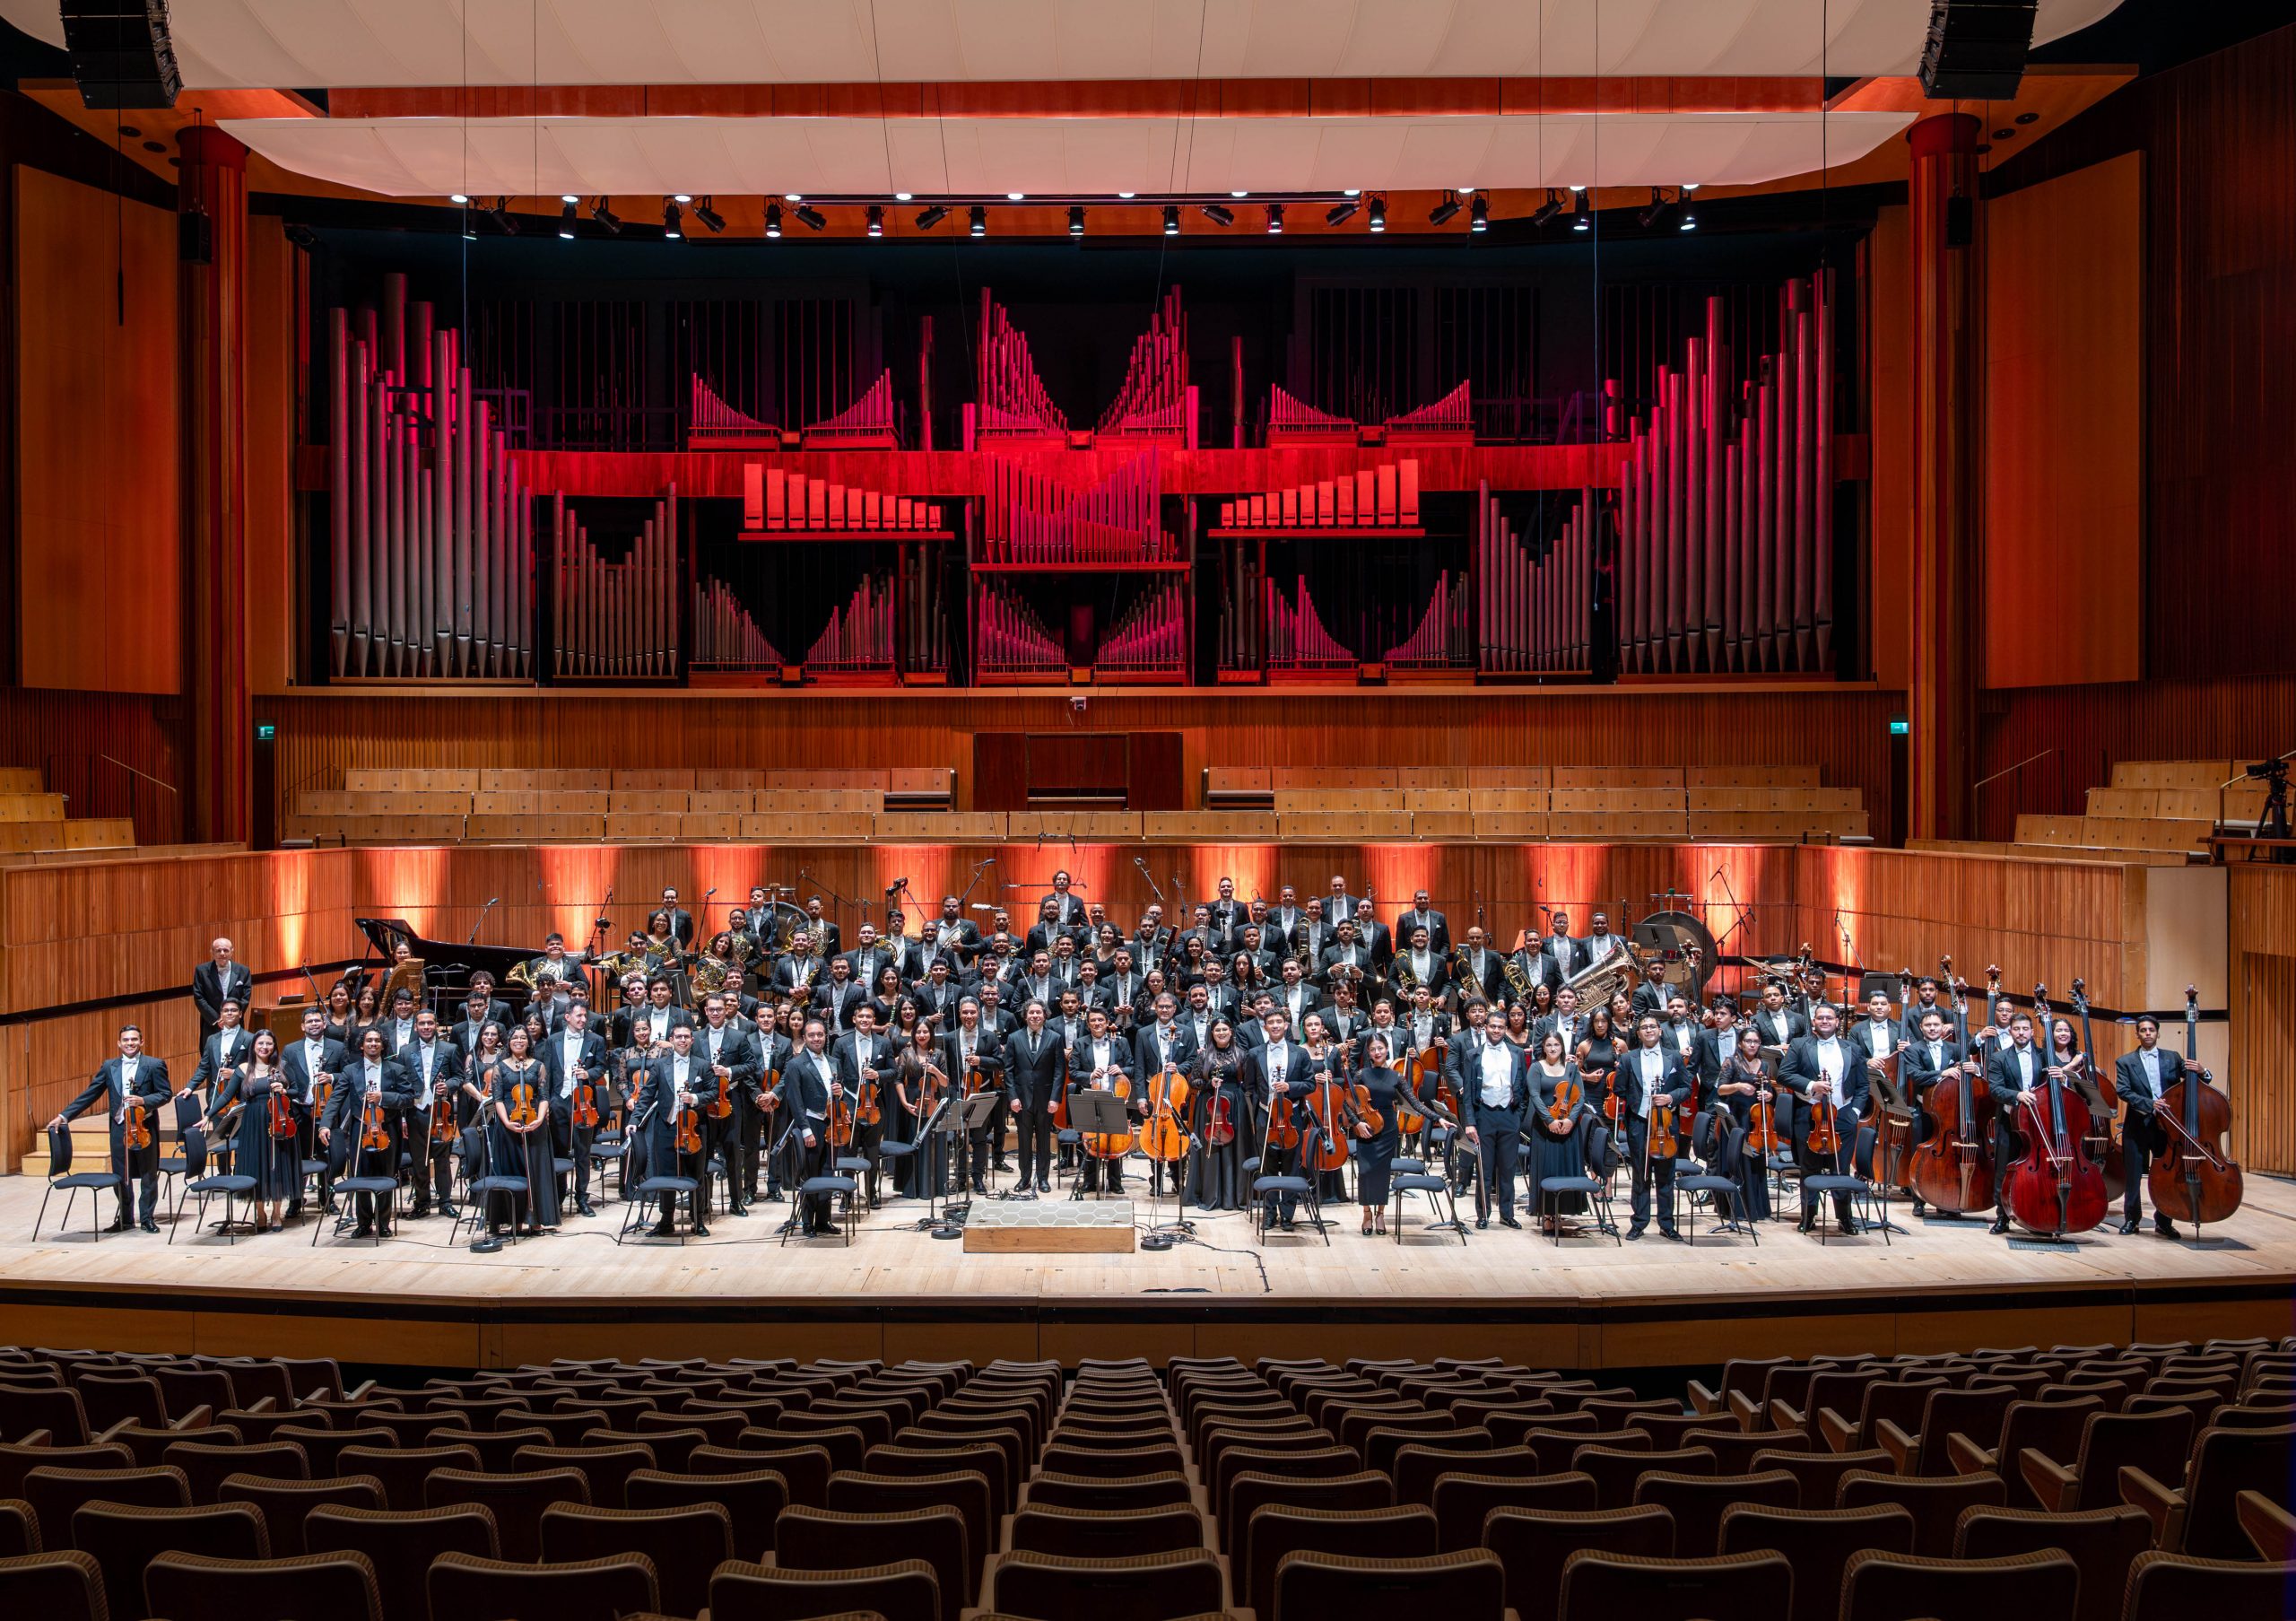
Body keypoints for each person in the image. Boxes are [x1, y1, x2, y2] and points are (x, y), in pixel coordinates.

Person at [49, 1025, 170, 1233]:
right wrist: (64, 1115)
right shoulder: (109, 1066)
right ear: (119, 1043)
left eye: (134, 1040)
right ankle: (125, 1219)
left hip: (144, 1127)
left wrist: (144, 1100)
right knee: (120, 1175)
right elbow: (90, 1094)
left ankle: (147, 1218)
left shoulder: (154, 1065)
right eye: (125, 1040)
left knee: (148, 1174)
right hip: (119, 1127)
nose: (130, 1043)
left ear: (142, 1042)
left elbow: (165, 1094)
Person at [196, 1028, 300, 1233]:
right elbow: (226, 1096)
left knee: (277, 1165)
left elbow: (298, 1090)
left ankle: (276, 1213)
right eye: (260, 1043)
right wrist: (208, 1115)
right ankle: (260, 1212)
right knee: (257, 1165)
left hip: (278, 1121)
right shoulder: (243, 1069)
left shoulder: (282, 1066)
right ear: (253, 1046)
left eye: (269, 1043)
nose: (264, 1047)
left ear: (274, 1046)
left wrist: (285, 1090)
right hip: (253, 1124)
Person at [321, 1026, 416, 1238]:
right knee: (360, 1174)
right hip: (360, 1129)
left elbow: (409, 1098)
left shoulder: (396, 1069)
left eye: (377, 1041)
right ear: (362, 1045)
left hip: (387, 1128)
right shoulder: (350, 1070)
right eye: (369, 1041)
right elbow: (336, 1098)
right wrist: (325, 1124)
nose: (373, 1044)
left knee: (386, 1174)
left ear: (383, 1045)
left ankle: (383, 1222)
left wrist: (383, 1097)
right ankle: (363, 1223)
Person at [1781, 1001, 1866, 1235]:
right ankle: (1808, 1217)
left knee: (1841, 1169)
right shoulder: (1799, 1045)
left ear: (1838, 1021)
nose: (1825, 1021)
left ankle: (1845, 1218)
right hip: (1810, 1116)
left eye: (1829, 1018)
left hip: (1843, 1116)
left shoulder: (1852, 1048)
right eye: (1821, 1018)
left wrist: (1854, 1113)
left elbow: (1863, 1085)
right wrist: (1811, 1085)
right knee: (1809, 1168)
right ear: (1814, 1022)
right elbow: (1784, 1074)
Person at [1448, 1000, 1527, 1230]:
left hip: (1508, 1115)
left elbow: (1521, 1088)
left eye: (1500, 1027)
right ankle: (1483, 1214)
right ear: (1485, 1027)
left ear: (1505, 1029)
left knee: (1508, 1169)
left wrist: (1517, 1116)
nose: (1496, 1031)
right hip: (1484, 1116)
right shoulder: (1473, 1055)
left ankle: (1507, 1214)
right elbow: (1469, 1092)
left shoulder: (1517, 1053)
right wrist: (1470, 1122)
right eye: (1492, 1026)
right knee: (1484, 1169)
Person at [1619, 1014, 1694, 1242]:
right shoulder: (1628, 1058)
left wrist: (1670, 1098)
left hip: (1666, 1124)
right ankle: (1639, 1222)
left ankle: (1666, 1224)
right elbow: (1620, 1088)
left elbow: (1686, 1087)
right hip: (1639, 1123)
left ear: (1660, 1031)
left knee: (1665, 1175)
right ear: (1638, 1033)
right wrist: (1638, 1102)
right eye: (1644, 1028)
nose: (1649, 1030)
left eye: (1653, 1027)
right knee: (1641, 1175)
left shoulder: (1673, 1057)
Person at [635, 1024, 715, 1238]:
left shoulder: (703, 1065)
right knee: (666, 1174)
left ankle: (697, 1220)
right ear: (672, 1039)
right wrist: (635, 1119)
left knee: (695, 1173)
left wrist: (696, 1098)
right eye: (678, 1036)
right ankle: (666, 1220)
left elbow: (714, 1092)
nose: (682, 1040)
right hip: (667, 1126)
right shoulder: (660, 1066)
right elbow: (647, 1095)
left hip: (694, 1127)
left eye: (686, 1037)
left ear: (692, 1040)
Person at [483, 1024, 558, 1238]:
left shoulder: (538, 1066)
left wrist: (540, 1119)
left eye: (523, 1038)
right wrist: (506, 1122)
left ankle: (535, 1221)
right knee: (512, 1171)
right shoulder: (500, 1067)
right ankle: (512, 1219)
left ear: (529, 1042)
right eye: (515, 1037)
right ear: (509, 1042)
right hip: (508, 1124)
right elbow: (497, 1099)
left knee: (535, 1171)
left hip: (534, 1123)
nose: (519, 1041)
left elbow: (544, 1097)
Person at [2112, 1015, 2182, 1238]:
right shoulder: (2125, 1062)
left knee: (2165, 1176)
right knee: (2133, 1176)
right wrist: (2150, 1104)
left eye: (2151, 1030)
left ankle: (2164, 1221)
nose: (2147, 1033)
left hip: (2166, 1127)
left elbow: (2194, 1082)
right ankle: (2132, 1220)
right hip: (2137, 1125)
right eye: (2143, 1030)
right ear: (2138, 1034)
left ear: (2157, 1033)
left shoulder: (2173, 1058)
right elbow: (2123, 1091)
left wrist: (2203, 1071)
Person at [1247, 1008, 1312, 1229]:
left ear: (1286, 1025)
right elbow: (1249, 1086)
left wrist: (1290, 1087)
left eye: (1279, 1022)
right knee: (1268, 1165)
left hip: (1292, 1115)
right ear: (1265, 1027)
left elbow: (1310, 1084)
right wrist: (1264, 1104)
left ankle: (1287, 1215)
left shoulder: (1300, 1053)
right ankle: (1269, 1214)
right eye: (1270, 1022)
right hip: (1266, 1115)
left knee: (1293, 1166)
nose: (1275, 1025)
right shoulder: (1255, 1053)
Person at [694, 993, 757, 1218]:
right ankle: (703, 1202)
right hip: (704, 1103)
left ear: (726, 1010)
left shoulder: (739, 1036)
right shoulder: (696, 1036)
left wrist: (729, 1072)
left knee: (732, 1153)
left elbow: (751, 1065)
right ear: (705, 1011)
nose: (715, 1013)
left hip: (731, 1100)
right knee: (704, 1153)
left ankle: (736, 1202)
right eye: (711, 1009)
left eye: (719, 1009)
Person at [1527, 1030, 1596, 1234]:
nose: (1552, 1049)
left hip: (1569, 1129)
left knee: (1565, 1169)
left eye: (1556, 1045)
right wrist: (1549, 1120)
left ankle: (1563, 1211)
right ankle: (1548, 1215)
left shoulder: (1572, 1069)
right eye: (1549, 1045)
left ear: (1562, 1047)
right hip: (1544, 1128)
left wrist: (1570, 1120)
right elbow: (1535, 1096)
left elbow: (1580, 1097)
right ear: (1543, 1047)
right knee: (1547, 1169)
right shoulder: (1536, 1068)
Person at [778, 1018, 840, 1236]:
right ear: (804, 1038)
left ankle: (824, 1220)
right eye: (812, 1035)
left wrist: (839, 1094)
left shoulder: (833, 1061)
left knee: (827, 1173)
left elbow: (835, 1095)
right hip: (811, 1123)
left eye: (820, 1034)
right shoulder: (795, 1065)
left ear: (825, 1036)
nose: (816, 1038)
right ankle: (807, 1223)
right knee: (810, 1176)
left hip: (831, 1123)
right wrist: (805, 1130)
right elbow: (794, 1100)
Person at [544, 1002, 606, 1217]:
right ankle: (559, 1197)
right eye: (578, 1016)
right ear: (567, 1017)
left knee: (582, 1152)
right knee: (559, 1152)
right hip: (559, 1101)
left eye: (584, 1016)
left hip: (583, 1103)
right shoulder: (553, 1040)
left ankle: (582, 1196)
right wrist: (549, 1102)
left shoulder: (596, 1040)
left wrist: (588, 1074)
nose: (582, 1020)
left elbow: (601, 1067)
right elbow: (548, 1074)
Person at [1710, 1025, 1777, 1224]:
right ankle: (1735, 1208)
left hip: (1756, 1121)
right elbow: (1720, 1089)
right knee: (1737, 1161)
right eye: (1748, 1041)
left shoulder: (1764, 1065)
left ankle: (1755, 1208)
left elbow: (1771, 1089)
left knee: (1755, 1161)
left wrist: (1769, 1094)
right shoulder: (1731, 1062)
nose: (1752, 1045)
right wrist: (1738, 1086)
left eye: (1756, 1041)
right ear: (1740, 1043)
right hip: (1736, 1119)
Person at [1186, 1015, 1251, 1212]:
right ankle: (1211, 1194)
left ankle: (1235, 1196)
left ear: (1231, 1032)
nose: (1221, 1033)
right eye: (1217, 1030)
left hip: (1235, 1104)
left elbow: (1248, 1082)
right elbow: (1193, 1081)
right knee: (1211, 1150)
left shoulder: (1242, 1054)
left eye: (1225, 1029)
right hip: (1209, 1104)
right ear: (1212, 1034)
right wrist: (1208, 1084)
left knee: (1236, 1149)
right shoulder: (1204, 1055)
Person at [402, 1008, 463, 1220]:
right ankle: (422, 1203)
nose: (426, 1027)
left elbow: (459, 1078)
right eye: (422, 1024)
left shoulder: (450, 1048)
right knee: (419, 1161)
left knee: (443, 1160)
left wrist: (448, 1086)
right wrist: (402, 1117)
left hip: (440, 1113)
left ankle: (445, 1202)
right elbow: (402, 1086)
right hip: (416, 1113)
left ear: (436, 1025)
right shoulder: (405, 1051)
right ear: (416, 1026)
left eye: (430, 1023)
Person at [1069, 1007, 1135, 1195]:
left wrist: (1121, 1070)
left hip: (1116, 1094)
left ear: (1107, 1022)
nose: (1097, 1023)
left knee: (1114, 1137)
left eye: (1101, 1020)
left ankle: (1115, 1182)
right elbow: (1073, 1072)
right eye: (1093, 1021)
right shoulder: (1080, 1044)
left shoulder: (1121, 1042)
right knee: (1090, 1138)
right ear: (1088, 1024)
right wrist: (1089, 1075)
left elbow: (1132, 1067)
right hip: (1091, 1095)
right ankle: (1089, 1181)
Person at [944, 997, 1004, 1195]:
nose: (969, 1016)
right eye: (965, 1012)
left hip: (981, 1093)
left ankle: (978, 1178)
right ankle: (961, 1179)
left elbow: (1000, 1062)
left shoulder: (990, 1036)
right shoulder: (950, 1037)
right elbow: (949, 1069)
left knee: (979, 1138)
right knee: (959, 1138)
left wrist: (981, 1060)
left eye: (972, 1012)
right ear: (960, 1014)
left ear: (978, 1014)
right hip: (959, 1093)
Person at [1004, 998, 1064, 1194]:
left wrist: (1055, 1098)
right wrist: (1012, 1096)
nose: (1035, 1016)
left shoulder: (1055, 1038)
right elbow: (1009, 1071)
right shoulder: (1014, 1038)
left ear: (1045, 1015)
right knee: (1023, 1140)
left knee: (1044, 1140)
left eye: (1038, 1012)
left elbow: (1059, 1071)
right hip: (1021, 1099)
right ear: (1025, 1015)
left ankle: (1043, 1179)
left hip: (1046, 1099)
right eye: (1031, 1012)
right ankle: (1024, 1179)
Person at [1351, 1033, 1405, 1235]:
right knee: (1365, 1172)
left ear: (1386, 1049)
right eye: (1373, 1049)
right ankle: (1366, 1213)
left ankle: (1380, 1213)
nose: (1377, 1052)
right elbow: (1348, 1105)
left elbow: (1414, 1102)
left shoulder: (1396, 1076)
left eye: (1380, 1048)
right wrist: (1357, 1124)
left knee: (1383, 1173)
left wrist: (1437, 1117)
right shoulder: (1361, 1074)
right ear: (1369, 1053)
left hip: (1389, 1128)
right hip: (1366, 1127)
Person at [893, 1021, 952, 1199]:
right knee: (915, 1143)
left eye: (925, 1032)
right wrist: (904, 1103)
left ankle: (935, 1187)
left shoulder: (939, 1055)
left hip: (934, 1106)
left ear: (931, 1034)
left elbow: (945, 1083)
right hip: (913, 1104)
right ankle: (914, 1187)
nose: (922, 1035)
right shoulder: (906, 1053)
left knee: (933, 1144)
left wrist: (935, 1071)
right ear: (914, 1034)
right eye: (918, 1032)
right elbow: (898, 1080)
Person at [192, 937, 253, 1046]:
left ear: (232, 951)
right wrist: (218, 1019)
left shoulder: (243, 971)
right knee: (212, 1059)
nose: (222, 953)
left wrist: (232, 1017)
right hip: (212, 1025)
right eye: (218, 950)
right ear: (212, 952)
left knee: (238, 1057)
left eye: (226, 950)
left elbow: (245, 997)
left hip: (236, 1024)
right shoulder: (201, 971)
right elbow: (199, 997)